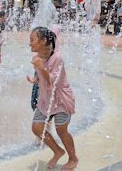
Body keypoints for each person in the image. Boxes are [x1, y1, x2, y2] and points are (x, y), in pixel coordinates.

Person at [26, 27, 78, 170]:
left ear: (43, 41)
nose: (30, 43)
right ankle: (58, 151)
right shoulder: (36, 58)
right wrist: (35, 79)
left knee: (61, 130)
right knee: (37, 128)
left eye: (32, 40)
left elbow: (52, 83)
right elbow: (41, 76)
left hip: (61, 101)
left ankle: (73, 158)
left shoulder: (57, 58)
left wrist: (41, 68)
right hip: (45, 101)